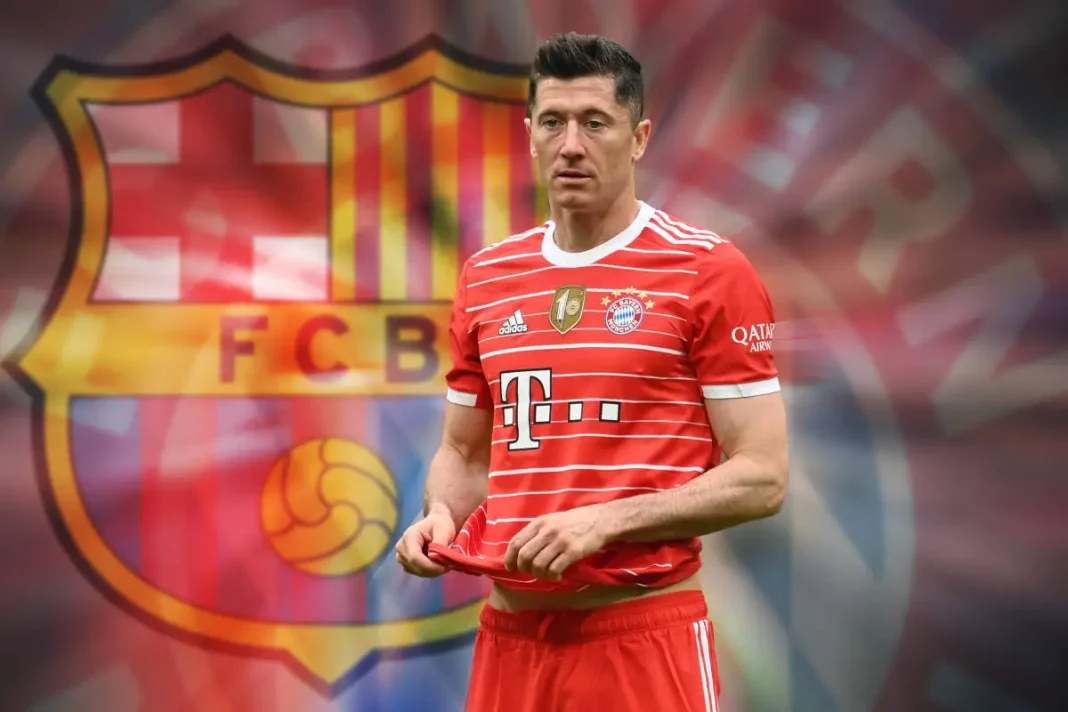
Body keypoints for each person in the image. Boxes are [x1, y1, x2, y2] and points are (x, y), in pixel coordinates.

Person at [395, 31, 789, 712]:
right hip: (510, 640)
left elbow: (763, 474)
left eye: (595, 122)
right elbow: (463, 453)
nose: (571, 144)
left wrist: (607, 521)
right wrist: (439, 516)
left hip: (640, 637)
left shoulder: (707, 270)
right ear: (529, 136)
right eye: (553, 122)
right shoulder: (487, 277)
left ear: (638, 139)